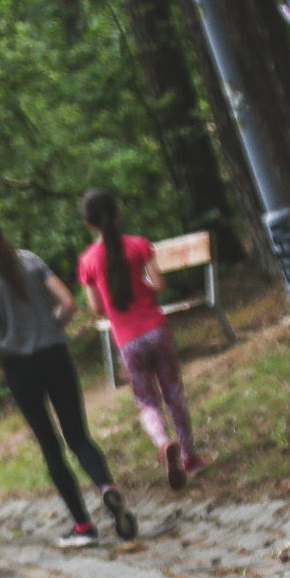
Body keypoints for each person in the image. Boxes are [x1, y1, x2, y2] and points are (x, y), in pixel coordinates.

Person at [0, 202, 137, 550]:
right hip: (56, 355)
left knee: (49, 444)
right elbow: (68, 303)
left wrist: (6, 356)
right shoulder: (29, 259)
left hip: (20, 368)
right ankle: (106, 486)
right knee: (78, 436)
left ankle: (83, 525)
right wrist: (50, 330)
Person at [77, 189, 206, 490]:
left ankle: (163, 443)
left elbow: (96, 308)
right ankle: (189, 456)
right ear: (118, 213)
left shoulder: (87, 261)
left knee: (147, 401)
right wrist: (143, 286)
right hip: (156, 329)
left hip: (128, 339)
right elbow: (158, 283)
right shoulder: (138, 245)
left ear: (88, 224)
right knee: (173, 392)